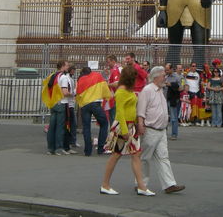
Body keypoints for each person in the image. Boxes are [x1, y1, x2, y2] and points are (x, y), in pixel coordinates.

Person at [101, 66, 154, 196]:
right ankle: (105, 185)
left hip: (131, 126)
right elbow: (120, 113)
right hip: (122, 126)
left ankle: (141, 186)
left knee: (135, 154)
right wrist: (125, 131)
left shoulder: (127, 89)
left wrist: (137, 124)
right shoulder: (121, 92)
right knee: (116, 155)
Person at [137, 66, 185, 194]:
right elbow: (141, 110)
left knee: (163, 157)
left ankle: (169, 184)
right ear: (156, 77)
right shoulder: (147, 90)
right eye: (163, 75)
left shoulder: (160, 90)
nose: (165, 77)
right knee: (145, 158)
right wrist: (140, 124)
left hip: (161, 130)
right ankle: (141, 183)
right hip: (150, 129)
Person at [77, 67, 111, 157]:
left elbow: (78, 93)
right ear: (90, 72)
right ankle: (100, 148)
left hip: (84, 105)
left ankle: (87, 151)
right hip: (95, 104)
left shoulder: (81, 79)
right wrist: (107, 97)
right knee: (104, 124)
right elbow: (104, 88)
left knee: (86, 127)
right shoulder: (97, 76)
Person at [44, 60, 73, 155]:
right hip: (61, 103)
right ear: (63, 66)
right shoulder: (63, 77)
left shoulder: (53, 75)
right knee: (60, 127)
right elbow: (64, 92)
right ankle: (59, 148)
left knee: (52, 126)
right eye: (67, 65)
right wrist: (72, 94)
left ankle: (50, 148)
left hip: (53, 103)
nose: (68, 67)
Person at [165, 63, 181, 140]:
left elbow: (180, 88)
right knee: (164, 117)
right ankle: (163, 134)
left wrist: (171, 85)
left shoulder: (177, 77)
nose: (166, 71)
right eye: (166, 69)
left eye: (167, 69)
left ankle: (174, 134)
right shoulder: (165, 77)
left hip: (173, 99)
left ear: (171, 69)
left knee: (174, 117)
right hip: (165, 98)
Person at [105, 55, 122, 126]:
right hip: (116, 96)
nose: (108, 64)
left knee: (114, 118)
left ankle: (113, 134)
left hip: (116, 97)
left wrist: (106, 85)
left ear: (113, 61)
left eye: (109, 62)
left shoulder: (116, 69)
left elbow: (117, 83)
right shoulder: (116, 69)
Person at [65, 65, 79, 151]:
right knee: (72, 124)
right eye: (74, 70)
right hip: (69, 104)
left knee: (72, 123)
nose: (74, 72)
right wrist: (74, 92)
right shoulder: (68, 79)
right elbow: (69, 92)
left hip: (70, 104)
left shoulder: (69, 78)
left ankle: (72, 141)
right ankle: (72, 141)